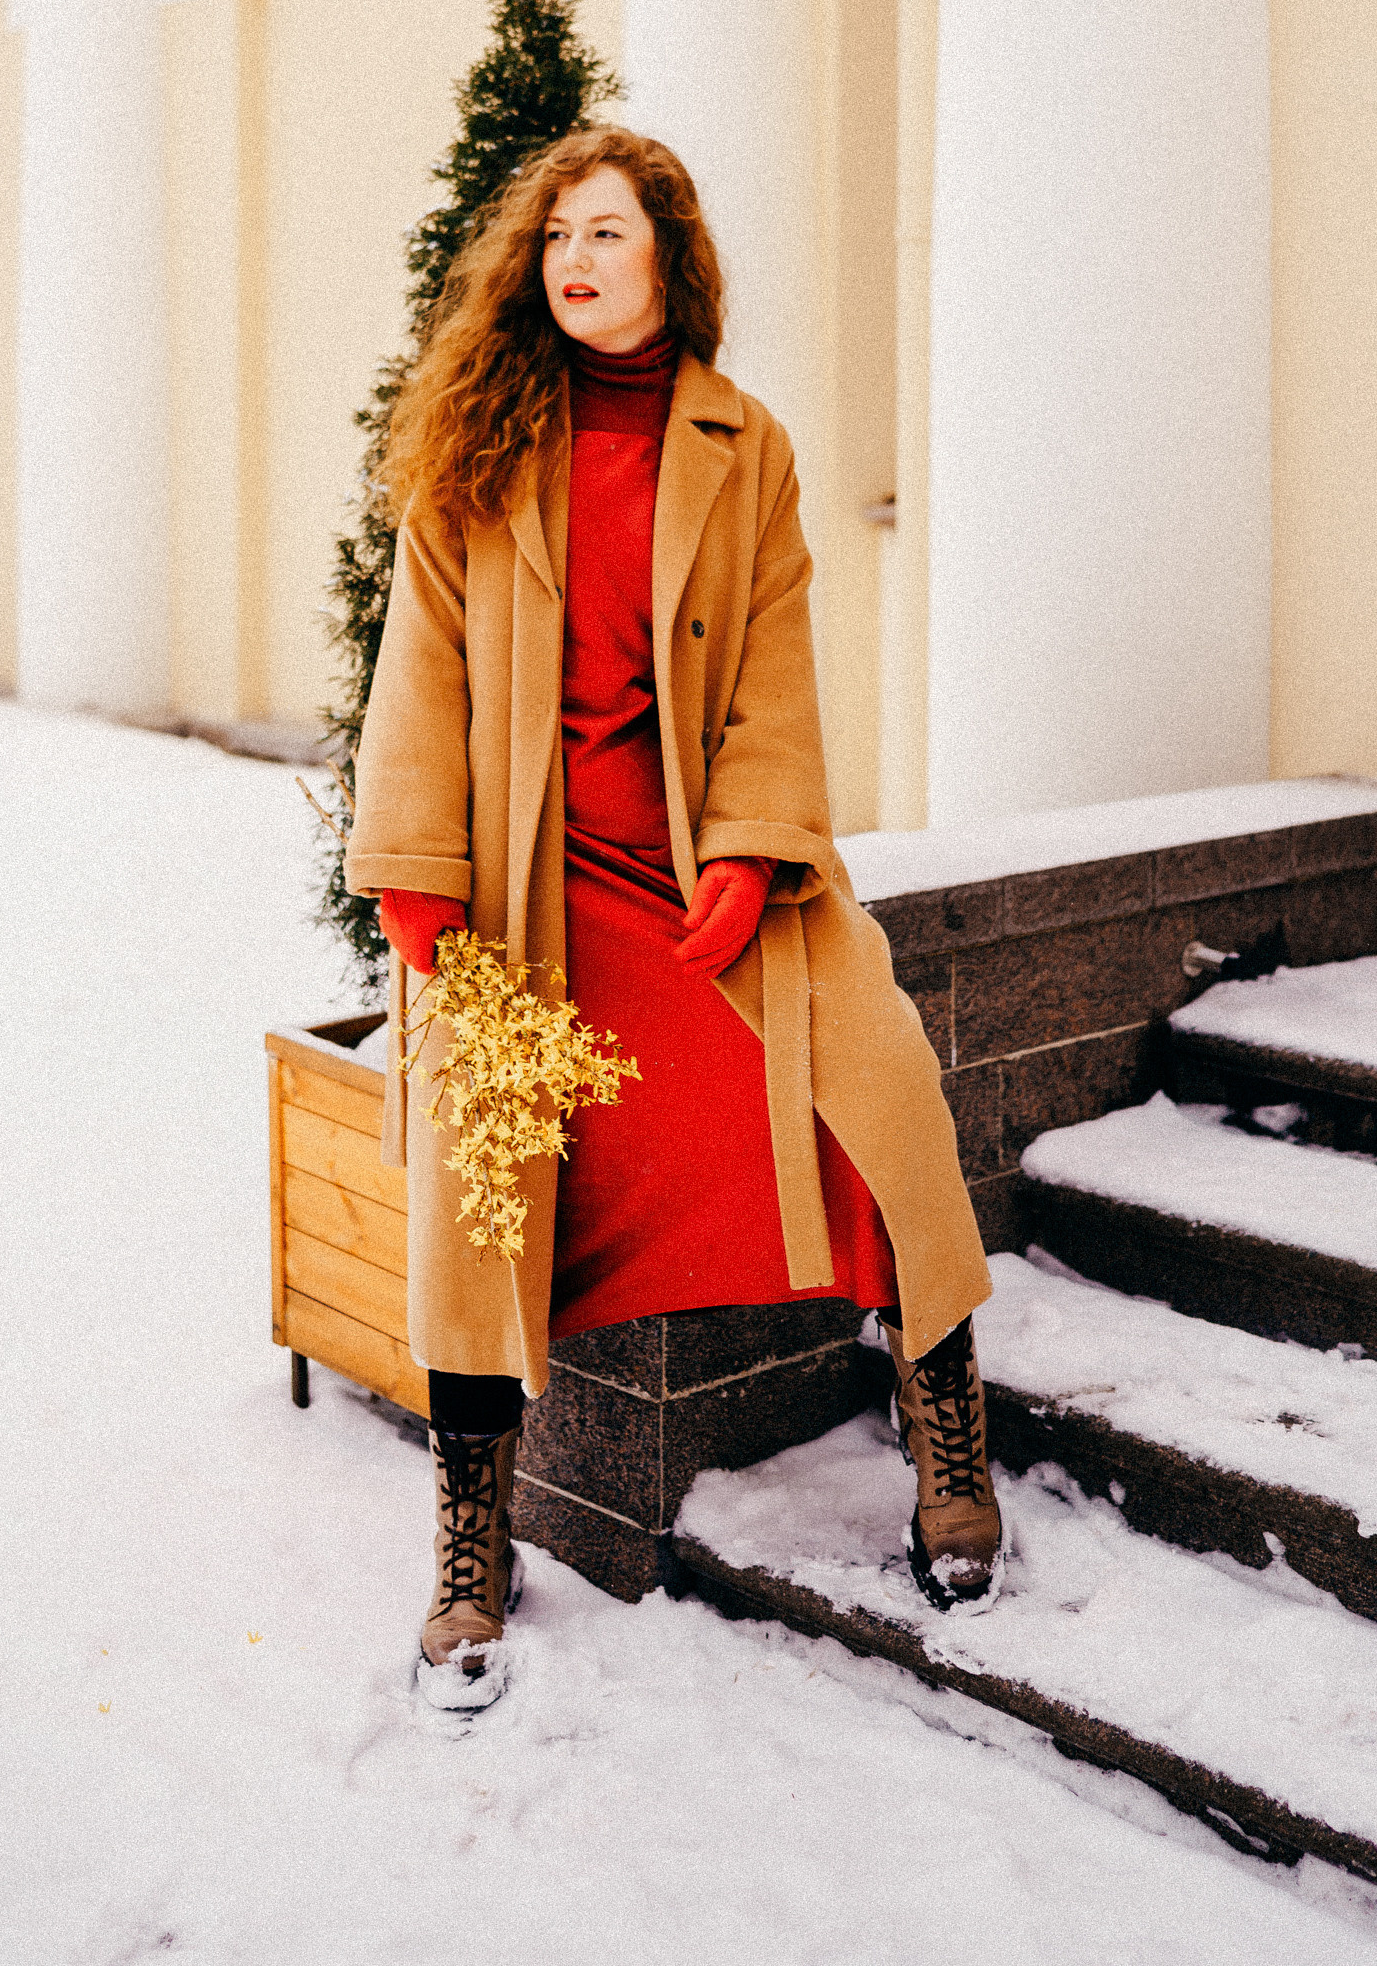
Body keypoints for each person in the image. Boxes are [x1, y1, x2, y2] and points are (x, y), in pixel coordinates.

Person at [346, 128, 999, 1711]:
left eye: (607, 234)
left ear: (669, 260)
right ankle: (471, 1544)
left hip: (704, 869)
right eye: (555, 236)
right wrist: (421, 882)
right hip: (522, 893)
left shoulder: (743, 443)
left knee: (882, 1098)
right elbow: (417, 670)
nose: (574, 261)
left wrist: (756, 851)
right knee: (483, 1189)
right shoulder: (478, 437)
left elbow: (774, 666)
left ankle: (951, 1440)